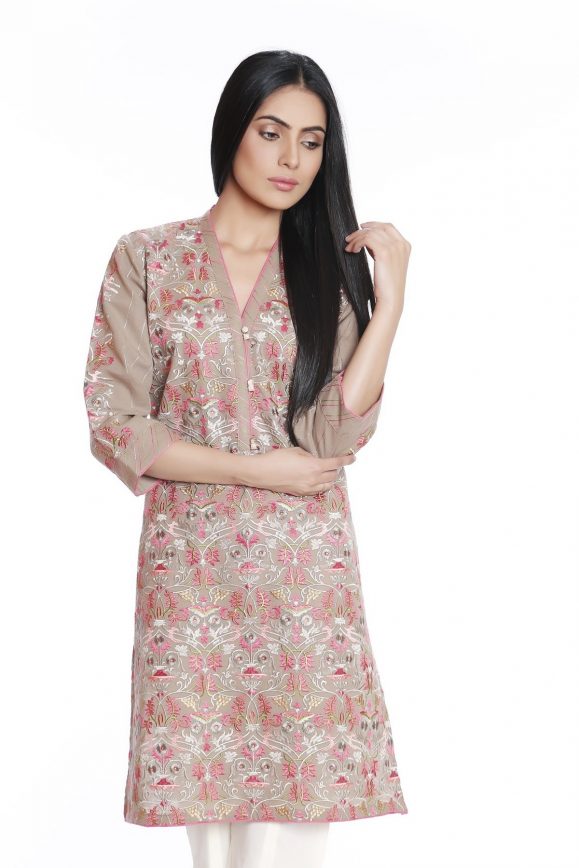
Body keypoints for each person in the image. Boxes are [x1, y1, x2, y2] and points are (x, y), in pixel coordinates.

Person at [83, 49, 411, 868]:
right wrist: (256, 470)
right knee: (213, 840)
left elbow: (336, 436)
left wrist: (389, 301)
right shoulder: (148, 259)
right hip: (192, 579)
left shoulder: (327, 276)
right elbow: (115, 422)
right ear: (232, 130)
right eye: (271, 133)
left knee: (290, 836)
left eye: (311, 141)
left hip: (305, 586)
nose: (291, 159)